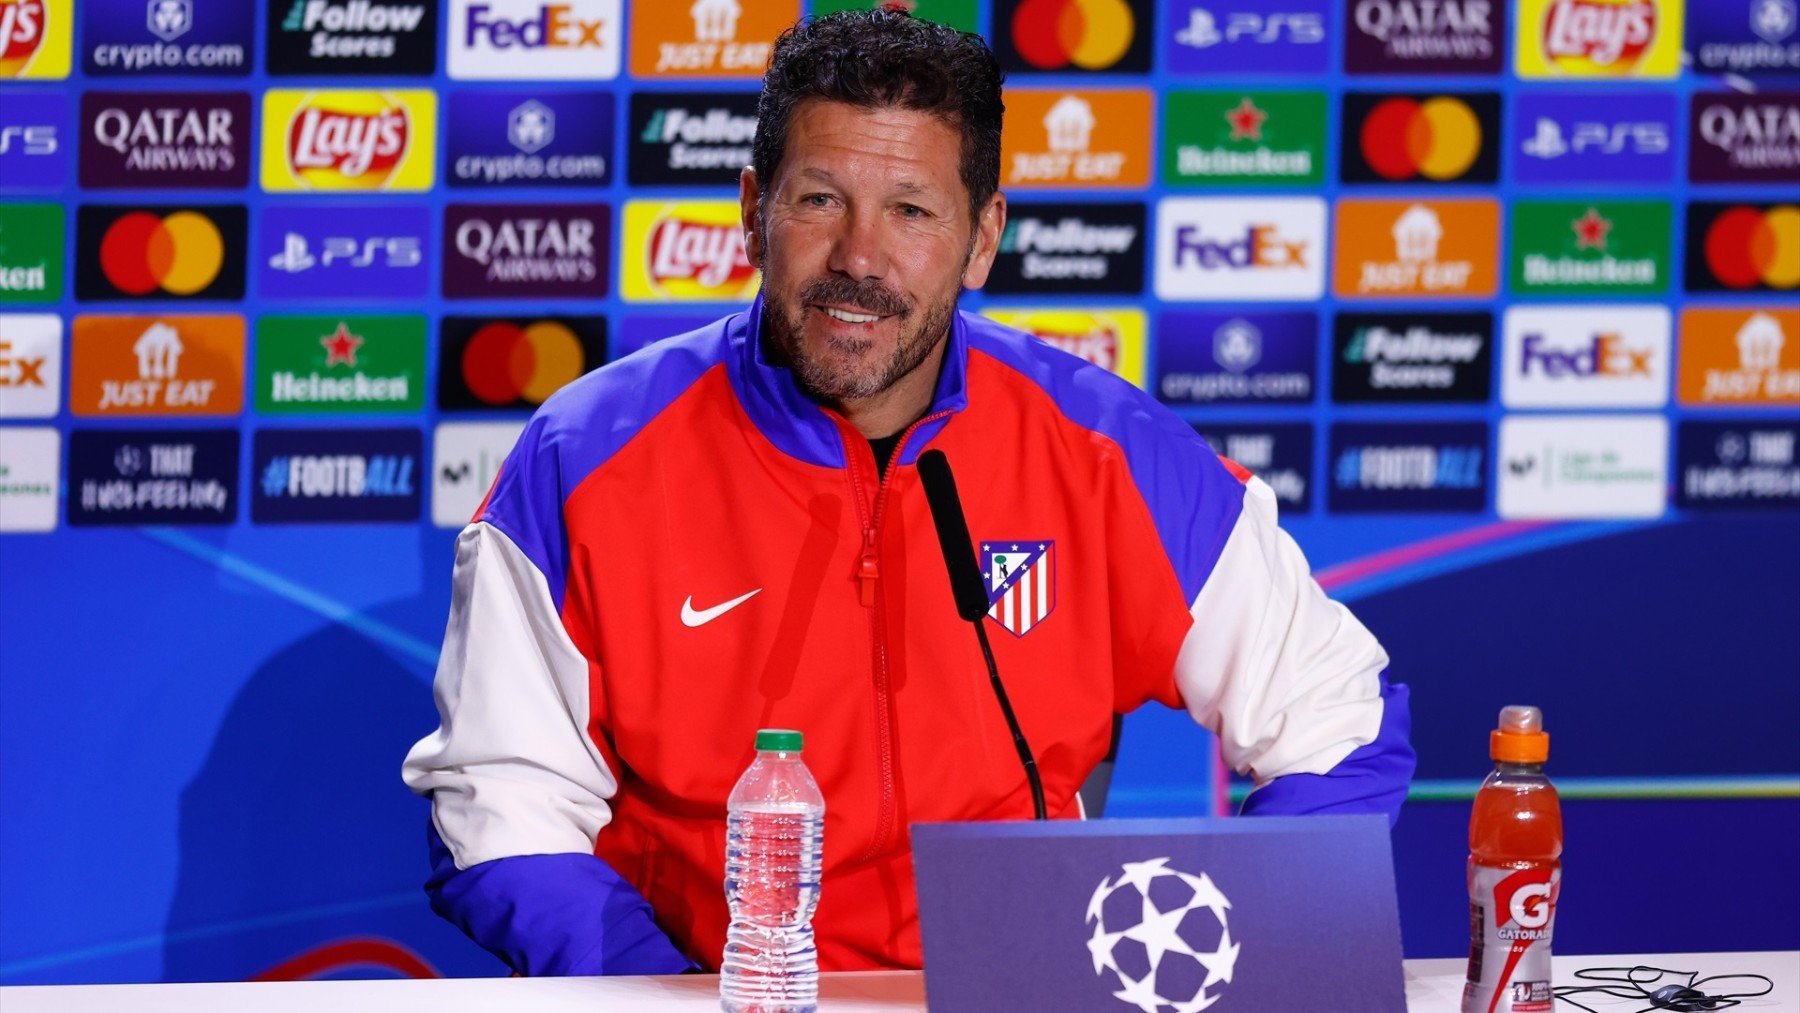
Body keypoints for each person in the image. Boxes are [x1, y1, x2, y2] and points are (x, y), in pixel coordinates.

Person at [402, 8, 1414, 977]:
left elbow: (1339, 721)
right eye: (819, 200)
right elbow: (501, 801)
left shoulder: (1108, 455)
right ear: (754, 209)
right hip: (707, 985)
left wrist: (1226, 959)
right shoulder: (585, 460)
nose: (859, 259)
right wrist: (665, 994)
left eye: (913, 211)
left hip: (1014, 991)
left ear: (983, 237)